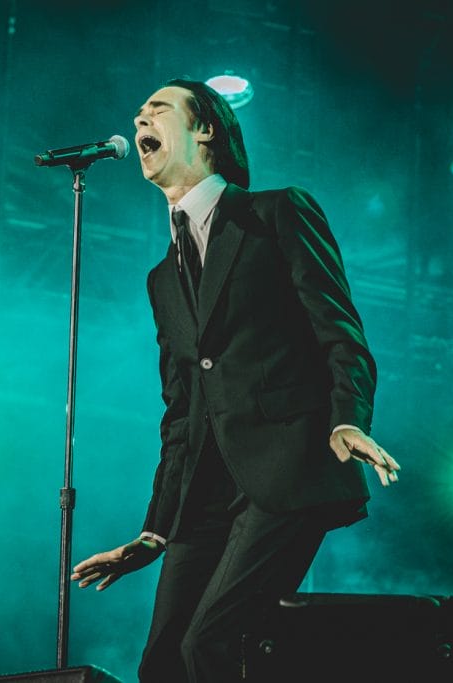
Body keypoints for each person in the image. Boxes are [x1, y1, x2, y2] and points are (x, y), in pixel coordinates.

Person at [70, 79, 401, 682]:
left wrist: (348, 418)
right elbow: (181, 413)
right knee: (161, 663)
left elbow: (340, 333)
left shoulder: (275, 213)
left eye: (157, 110)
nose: (140, 121)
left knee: (211, 644)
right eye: (137, 114)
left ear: (206, 131)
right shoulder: (161, 278)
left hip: (287, 469)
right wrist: (154, 530)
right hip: (205, 495)